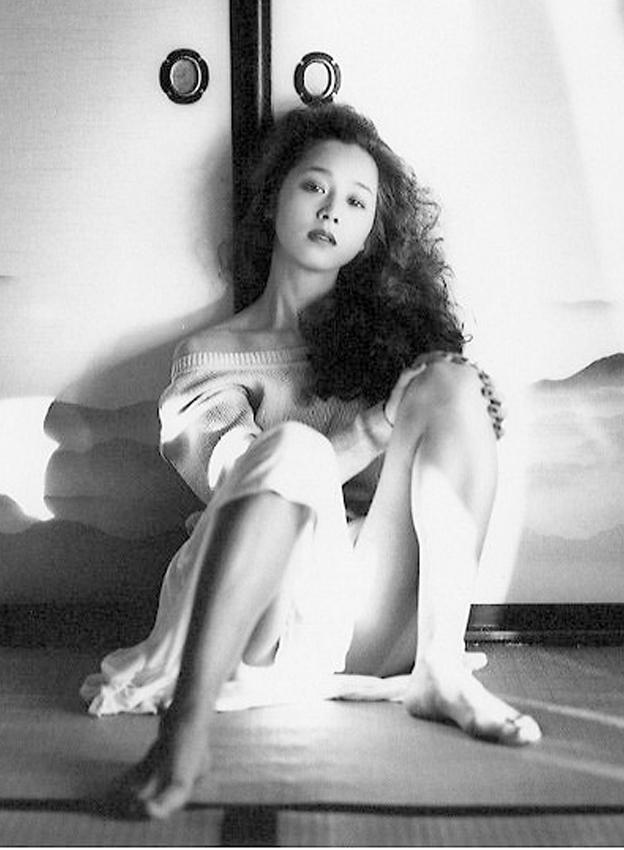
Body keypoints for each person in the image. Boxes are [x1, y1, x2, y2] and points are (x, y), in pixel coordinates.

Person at [81, 103, 541, 819]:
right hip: (249, 621)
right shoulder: (210, 356)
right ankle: (186, 729)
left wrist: (449, 407)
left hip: (358, 618)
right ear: (272, 201)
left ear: (369, 234)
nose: (331, 210)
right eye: (314, 187)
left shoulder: (388, 343)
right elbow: (235, 480)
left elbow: (430, 486)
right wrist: (379, 426)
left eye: (356, 202)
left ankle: (441, 670)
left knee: (450, 381)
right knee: (290, 448)